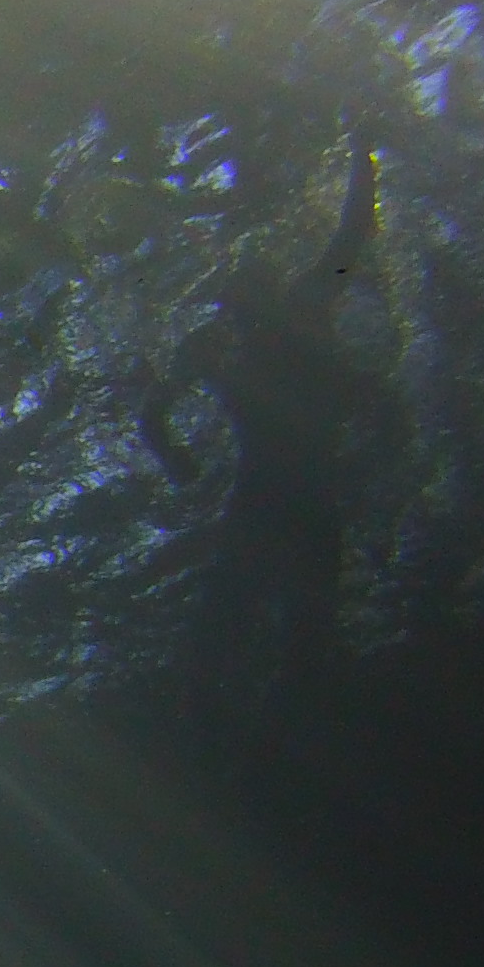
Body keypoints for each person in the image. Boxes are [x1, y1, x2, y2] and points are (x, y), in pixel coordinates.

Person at [141, 140, 379, 725]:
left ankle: (276, 717)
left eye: (247, 292)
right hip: (276, 490)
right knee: (231, 623)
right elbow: (151, 412)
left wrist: (362, 156)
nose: (240, 306)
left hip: (300, 491)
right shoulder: (219, 346)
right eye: (235, 298)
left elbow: (352, 233)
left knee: (293, 627)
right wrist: (174, 458)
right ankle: (215, 722)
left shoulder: (301, 304)